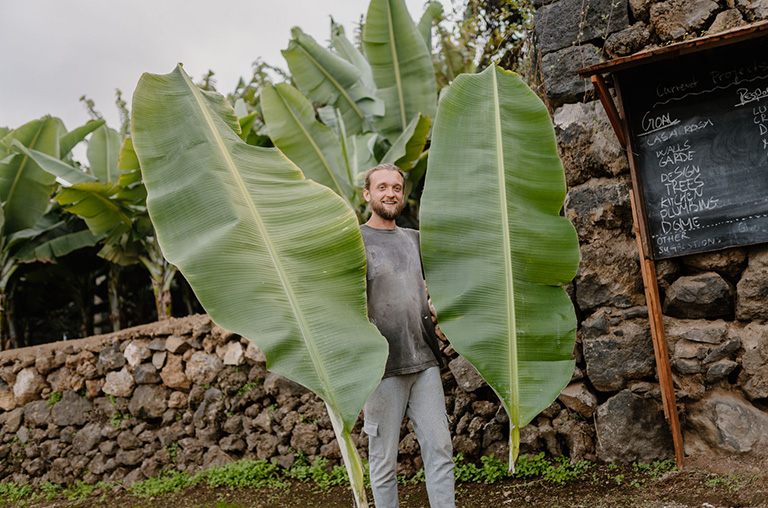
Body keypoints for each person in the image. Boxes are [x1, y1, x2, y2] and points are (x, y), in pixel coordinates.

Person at [360, 163, 455, 508]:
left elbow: (443, 280)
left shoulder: (414, 240)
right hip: (382, 368)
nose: (390, 193)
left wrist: (436, 301)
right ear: (368, 194)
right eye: (382, 187)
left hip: (425, 361)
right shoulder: (356, 241)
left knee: (440, 449)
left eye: (396, 188)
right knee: (384, 460)